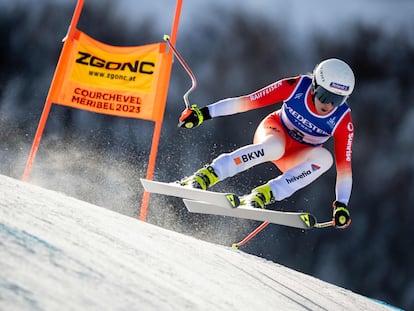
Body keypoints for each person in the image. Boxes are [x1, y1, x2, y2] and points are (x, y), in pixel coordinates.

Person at [178, 58, 354, 229]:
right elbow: (248, 101)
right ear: (315, 86)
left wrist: (341, 204)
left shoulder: (342, 120)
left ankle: (265, 194)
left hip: (298, 155)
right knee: (274, 148)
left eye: (337, 100)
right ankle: (208, 174)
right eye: (325, 96)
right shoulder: (296, 87)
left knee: (325, 159)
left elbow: (344, 169)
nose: (329, 105)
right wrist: (203, 114)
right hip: (275, 131)